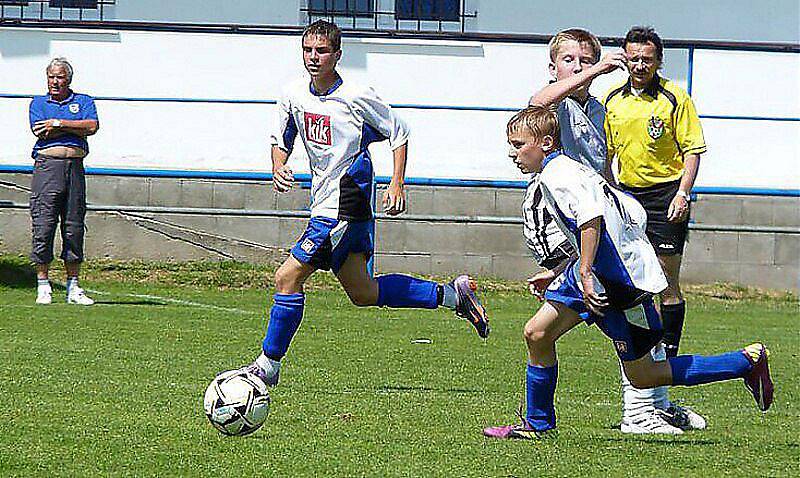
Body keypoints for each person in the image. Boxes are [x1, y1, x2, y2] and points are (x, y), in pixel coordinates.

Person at [483, 106, 773, 440]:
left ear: (546, 143)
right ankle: (538, 424)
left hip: (621, 284)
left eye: (518, 145)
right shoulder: (565, 170)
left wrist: (586, 271)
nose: (512, 153)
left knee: (645, 376)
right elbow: (620, 219)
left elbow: (591, 218)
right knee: (537, 334)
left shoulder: (559, 174)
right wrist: (566, 270)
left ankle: (745, 362)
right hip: (595, 274)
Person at [242, 20, 489, 386]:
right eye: (308, 50)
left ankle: (268, 366)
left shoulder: (357, 95)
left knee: (287, 277)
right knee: (363, 292)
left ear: (337, 55)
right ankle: (454, 297)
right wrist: (278, 167)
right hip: (326, 203)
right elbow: (282, 138)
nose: (314, 57)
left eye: (322, 51)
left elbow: (399, 132)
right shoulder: (293, 94)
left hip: (344, 206)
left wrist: (397, 183)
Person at [528, 29, 705, 434]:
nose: (579, 67)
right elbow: (537, 102)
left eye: (586, 60)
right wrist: (602, 68)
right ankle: (644, 410)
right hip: (568, 222)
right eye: (569, 60)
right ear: (553, 67)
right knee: (626, 309)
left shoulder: (597, 107)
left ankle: (653, 405)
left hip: (601, 223)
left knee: (635, 308)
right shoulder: (552, 108)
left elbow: (603, 167)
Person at [604, 26, 706, 360]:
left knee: (665, 278)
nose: (640, 65)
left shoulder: (675, 98)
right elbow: (606, 154)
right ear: (625, 59)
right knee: (632, 276)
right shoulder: (612, 101)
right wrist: (610, 191)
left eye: (647, 59)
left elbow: (693, 150)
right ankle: (643, 346)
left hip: (666, 196)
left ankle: (670, 351)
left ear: (659, 61)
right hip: (628, 196)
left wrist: (683, 193)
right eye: (634, 59)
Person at [28, 57, 99, 306]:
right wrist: (74, 129)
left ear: (68, 79)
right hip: (48, 169)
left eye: (59, 77)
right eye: (51, 77)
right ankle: (43, 284)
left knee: (74, 226)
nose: (55, 82)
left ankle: (74, 286)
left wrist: (59, 124)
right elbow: (40, 130)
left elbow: (92, 126)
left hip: (75, 169)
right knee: (44, 224)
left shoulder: (83, 101)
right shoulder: (38, 103)